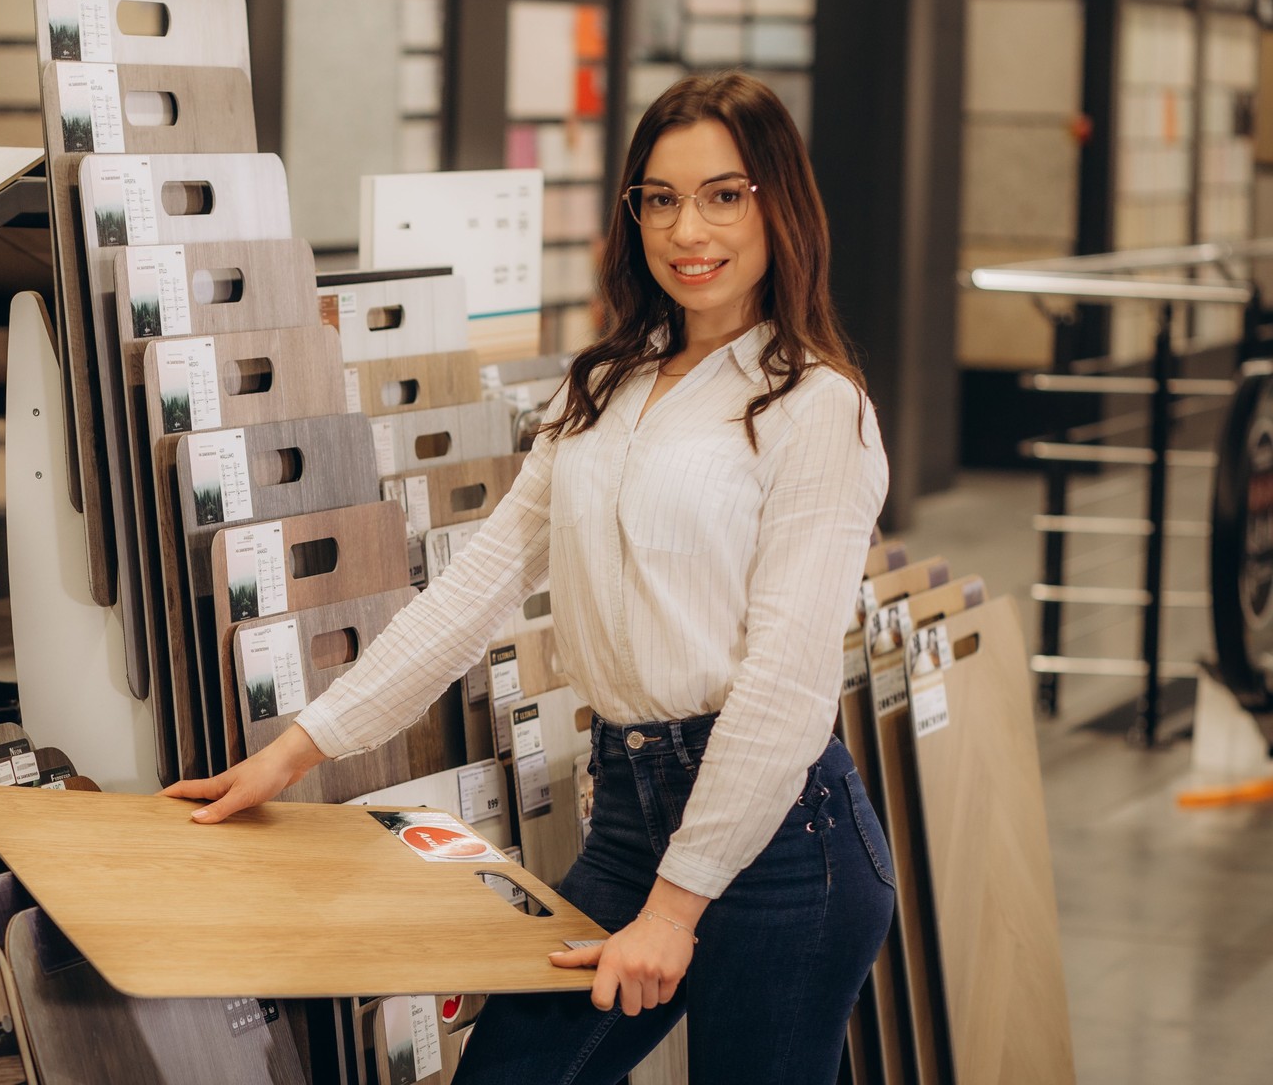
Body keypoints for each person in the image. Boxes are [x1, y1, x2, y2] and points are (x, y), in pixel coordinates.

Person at [165, 71, 897, 1084]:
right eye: (661, 196)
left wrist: (678, 907)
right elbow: (471, 593)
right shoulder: (605, 390)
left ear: (781, 206)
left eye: (725, 194)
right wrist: (294, 753)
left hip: (784, 848)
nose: (690, 227)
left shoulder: (817, 410)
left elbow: (786, 682)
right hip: (634, 813)